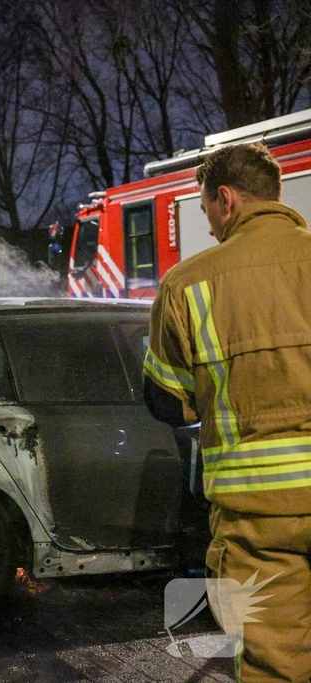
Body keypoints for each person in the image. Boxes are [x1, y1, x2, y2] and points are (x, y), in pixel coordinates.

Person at [143, 142, 311, 682]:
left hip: (259, 518)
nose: (210, 224)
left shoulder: (186, 285)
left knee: (274, 660)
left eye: (206, 210)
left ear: (226, 199)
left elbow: (165, 401)